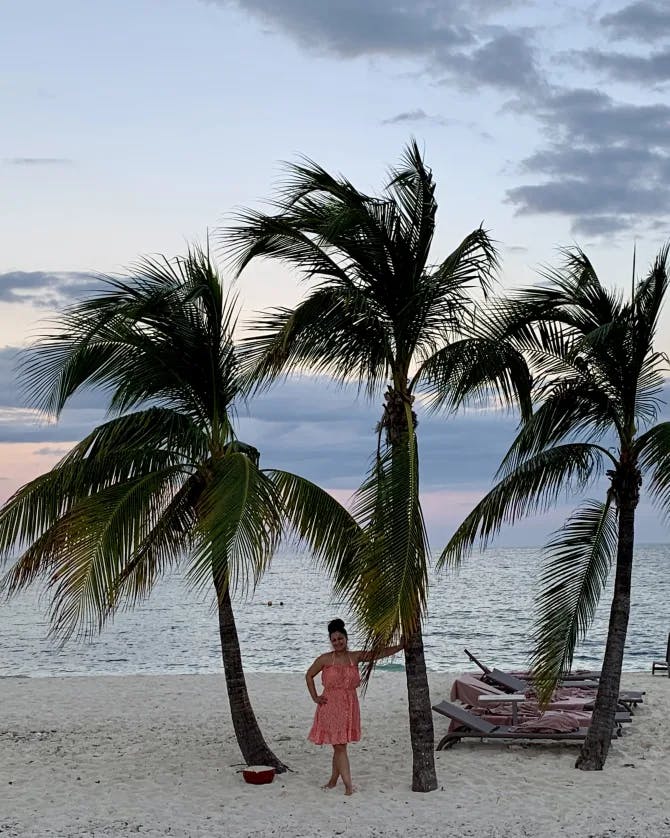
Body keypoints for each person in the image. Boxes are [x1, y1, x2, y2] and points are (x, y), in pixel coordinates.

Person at [305, 618, 403, 795]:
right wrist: (315, 697)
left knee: (339, 745)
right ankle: (349, 786)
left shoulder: (354, 657)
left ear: (346, 638)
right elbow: (309, 675)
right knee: (339, 746)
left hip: (350, 706)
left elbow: (377, 654)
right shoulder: (325, 659)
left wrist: (400, 647)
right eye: (334, 640)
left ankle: (333, 780)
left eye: (340, 638)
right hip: (330, 707)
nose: (337, 642)